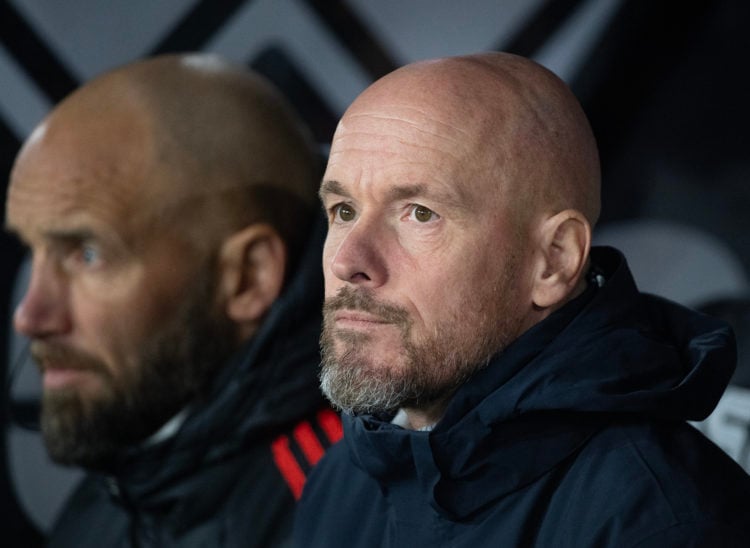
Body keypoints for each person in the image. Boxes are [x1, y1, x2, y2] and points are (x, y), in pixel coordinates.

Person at [294, 52, 750, 547]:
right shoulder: (343, 479)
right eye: (343, 210)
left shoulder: (663, 524)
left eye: (420, 214)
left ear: (552, 261)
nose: (348, 261)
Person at [5, 53, 342, 547]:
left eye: (88, 254)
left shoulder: (359, 511)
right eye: (34, 251)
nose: (30, 316)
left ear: (247, 277)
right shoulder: (118, 496)